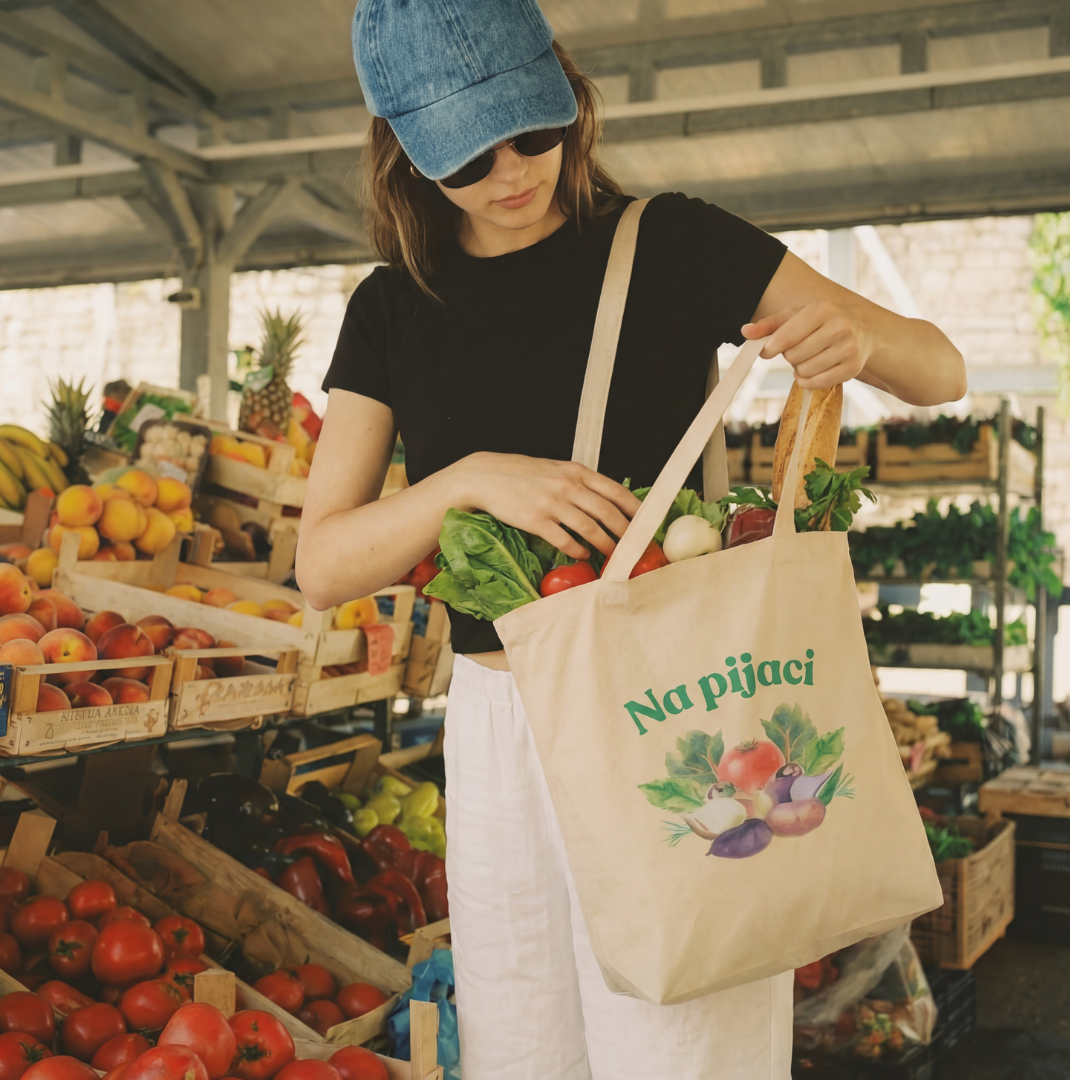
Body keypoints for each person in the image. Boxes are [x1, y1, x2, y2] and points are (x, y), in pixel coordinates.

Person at [297, 2, 966, 1076]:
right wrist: (470, 480)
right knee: (522, 1046)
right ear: (406, 154)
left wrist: (855, 339)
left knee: (689, 1043)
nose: (512, 172)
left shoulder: (672, 244)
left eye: (533, 131)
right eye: (467, 158)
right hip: (503, 723)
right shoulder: (392, 307)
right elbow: (323, 566)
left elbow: (939, 368)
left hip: (679, 707)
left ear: (569, 97)